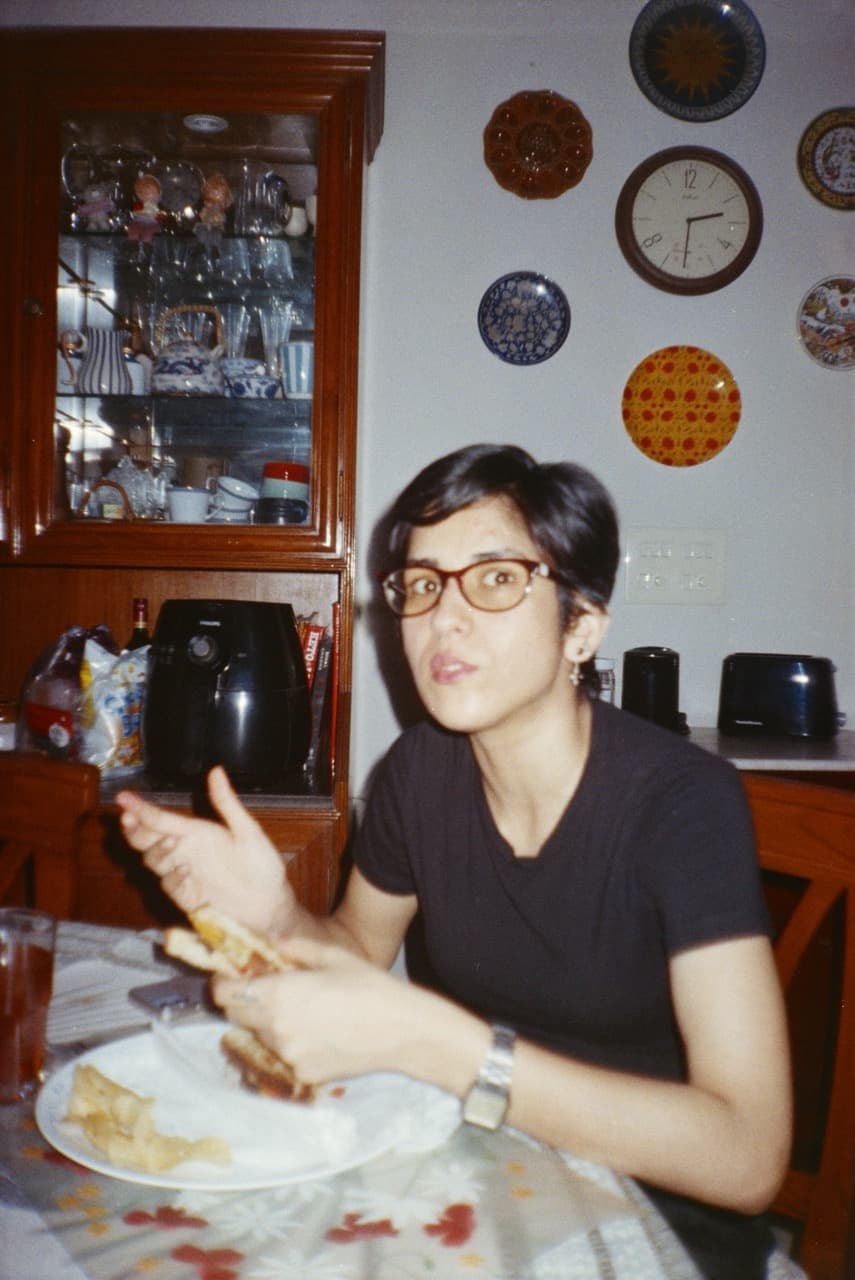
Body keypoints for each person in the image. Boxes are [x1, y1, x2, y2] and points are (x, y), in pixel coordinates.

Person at [117, 443, 790, 1280]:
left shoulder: (683, 803)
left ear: (580, 622)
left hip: (654, 1216)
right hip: (481, 1170)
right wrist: (273, 912)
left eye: (497, 578)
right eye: (423, 583)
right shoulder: (416, 773)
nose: (445, 617)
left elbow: (748, 1156)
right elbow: (359, 952)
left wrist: (440, 1045)